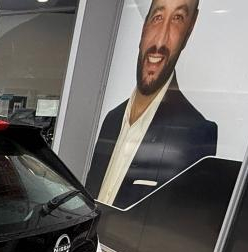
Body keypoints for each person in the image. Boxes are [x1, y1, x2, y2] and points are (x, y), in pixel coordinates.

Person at [86, 0, 217, 210]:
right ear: (144, 27)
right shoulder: (112, 119)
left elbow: (177, 224)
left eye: (177, 19)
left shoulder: (196, 133)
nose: (160, 39)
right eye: (157, 18)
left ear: (189, 30)